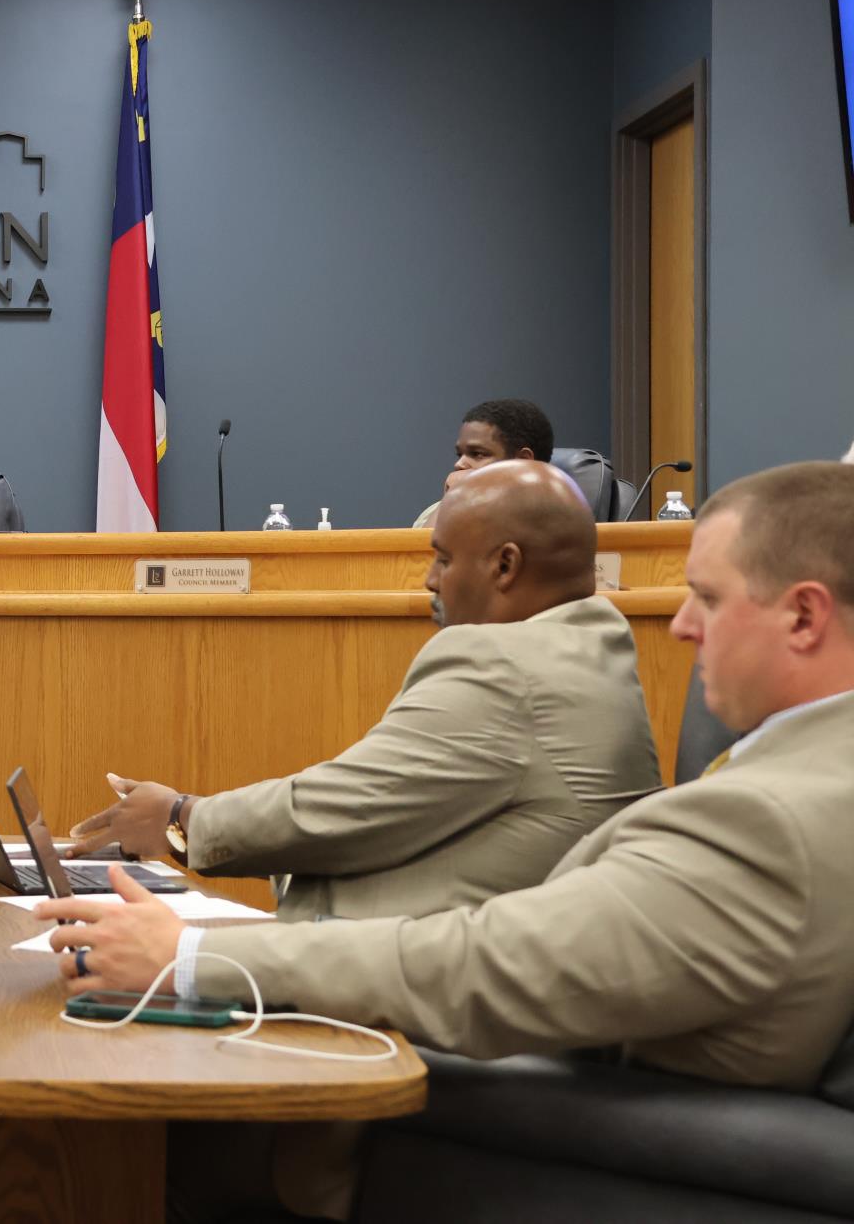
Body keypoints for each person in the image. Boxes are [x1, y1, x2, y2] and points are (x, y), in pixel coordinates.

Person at [42, 461, 854, 1097]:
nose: (677, 625)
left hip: (516, 1116)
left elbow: (491, 963)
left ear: (806, 616)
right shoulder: (798, 767)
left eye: (706, 597)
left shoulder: (769, 818)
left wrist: (192, 959)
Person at [71, 460, 659, 922]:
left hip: (440, 1005)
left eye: (445, 559)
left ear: (505, 566)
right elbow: (391, 823)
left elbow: (345, 807)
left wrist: (182, 818)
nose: (430, 581)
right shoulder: (597, 645)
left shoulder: (505, 663)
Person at [413, 398, 554, 527]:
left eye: (478, 454)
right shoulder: (435, 512)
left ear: (523, 462)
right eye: (459, 454)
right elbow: (419, 553)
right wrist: (450, 502)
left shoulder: (555, 521)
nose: (459, 464)